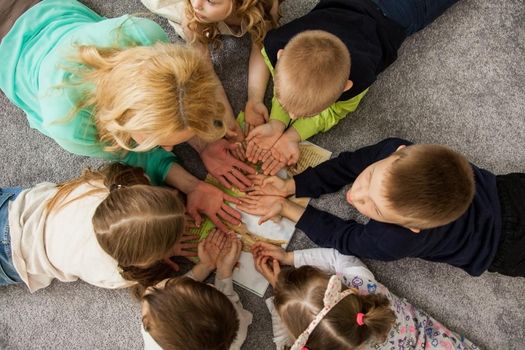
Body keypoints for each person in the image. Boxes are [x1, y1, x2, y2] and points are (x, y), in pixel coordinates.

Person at [0, 0, 255, 232]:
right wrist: (190, 185)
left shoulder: (144, 33)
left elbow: (176, 105)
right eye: (161, 138)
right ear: (125, 118)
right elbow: (131, 153)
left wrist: (206, 144)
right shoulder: (70, 122)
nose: (169, 148)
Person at [239, 138, 525, 277]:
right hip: (512, 193)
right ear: (400, 151)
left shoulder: (396, 239)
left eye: (373, 208)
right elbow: (347, 165)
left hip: (505, 251)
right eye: (369, 178)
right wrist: (293, 186)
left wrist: (288, 209)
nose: (355, 196)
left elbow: (345, 238)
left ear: (410, 227)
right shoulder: (394, 149)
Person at [245, 0, 459, 175]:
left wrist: (293, 134)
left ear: (346, 88)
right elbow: (292, 87)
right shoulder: (275, 44)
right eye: (286, 106)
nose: (291, 115)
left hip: (398, 14)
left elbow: (335, 112)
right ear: (281, 56)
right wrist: (277, 122)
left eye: (304, 112)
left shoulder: (360, 76)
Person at [0, 163, 198, 291]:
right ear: (145, 261)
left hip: (13, 208)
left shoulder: (104, 186)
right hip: (13, 260)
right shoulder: (115, 273)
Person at [252, 243, 479, 349]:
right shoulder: (364, 285)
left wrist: (277, 290)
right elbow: (337, 258)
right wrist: (291, 257)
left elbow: (281, 342)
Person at [140, 0, 282, 135]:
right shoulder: (191, 12)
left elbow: (261, 45)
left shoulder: (266, 5)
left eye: (211, 1)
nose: (196, 5)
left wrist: (255, 99)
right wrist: (226, 116)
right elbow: (205, 69)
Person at [140, 230, 252, 350]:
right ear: (211, 287)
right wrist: (224, 271)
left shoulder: (155, 329)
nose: (149, 289)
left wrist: (205, 266)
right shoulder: (236, 328)